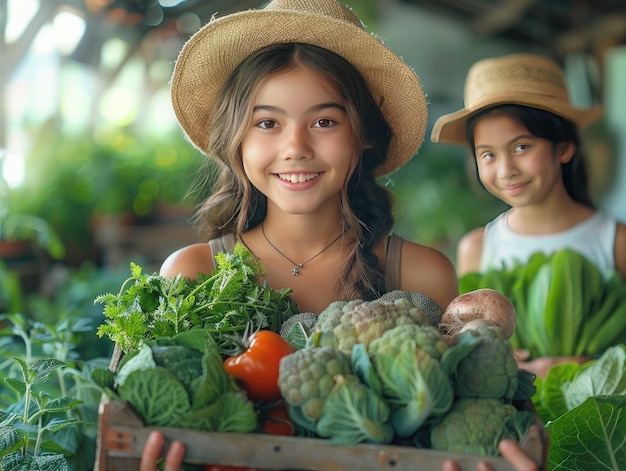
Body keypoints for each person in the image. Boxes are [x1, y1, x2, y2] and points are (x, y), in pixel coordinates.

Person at [140, 1, 542, 470]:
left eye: (325, 122)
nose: (296, 148)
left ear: (364, 135)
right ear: (237, 139)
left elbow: (445, 424)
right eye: (267, 123)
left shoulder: (420, 274)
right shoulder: (192, 275)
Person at [431, 53, 626, 376]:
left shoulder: (615, 240)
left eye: (522, 147)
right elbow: (459, 341)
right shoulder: (476, 247)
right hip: (512, 424)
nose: (506, 170)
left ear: (563, 147)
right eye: (488, 154)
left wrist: (589, 369)